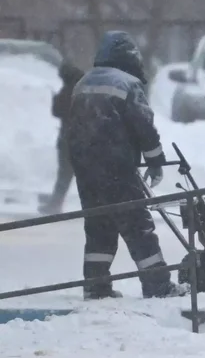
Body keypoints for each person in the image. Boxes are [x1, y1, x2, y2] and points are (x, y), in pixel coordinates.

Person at [67, 30, 187, 300]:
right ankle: (158, 287)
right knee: (138, 226)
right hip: (117, 169)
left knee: (99, 226)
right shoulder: (128, 84)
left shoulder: (83, 83)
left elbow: (73, 127)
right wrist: (155, 160)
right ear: (129, 58)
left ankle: (96, 287)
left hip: (86, 170)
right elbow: (143, 126)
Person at [38, 60, 85, 215]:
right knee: (73, 173)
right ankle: (56, 200)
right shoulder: (83, 89)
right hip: (81, 137)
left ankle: (56, 203)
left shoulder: (68, 91)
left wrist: (55, 98)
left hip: (68, 138)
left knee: (64, 173)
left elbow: (57, 111)